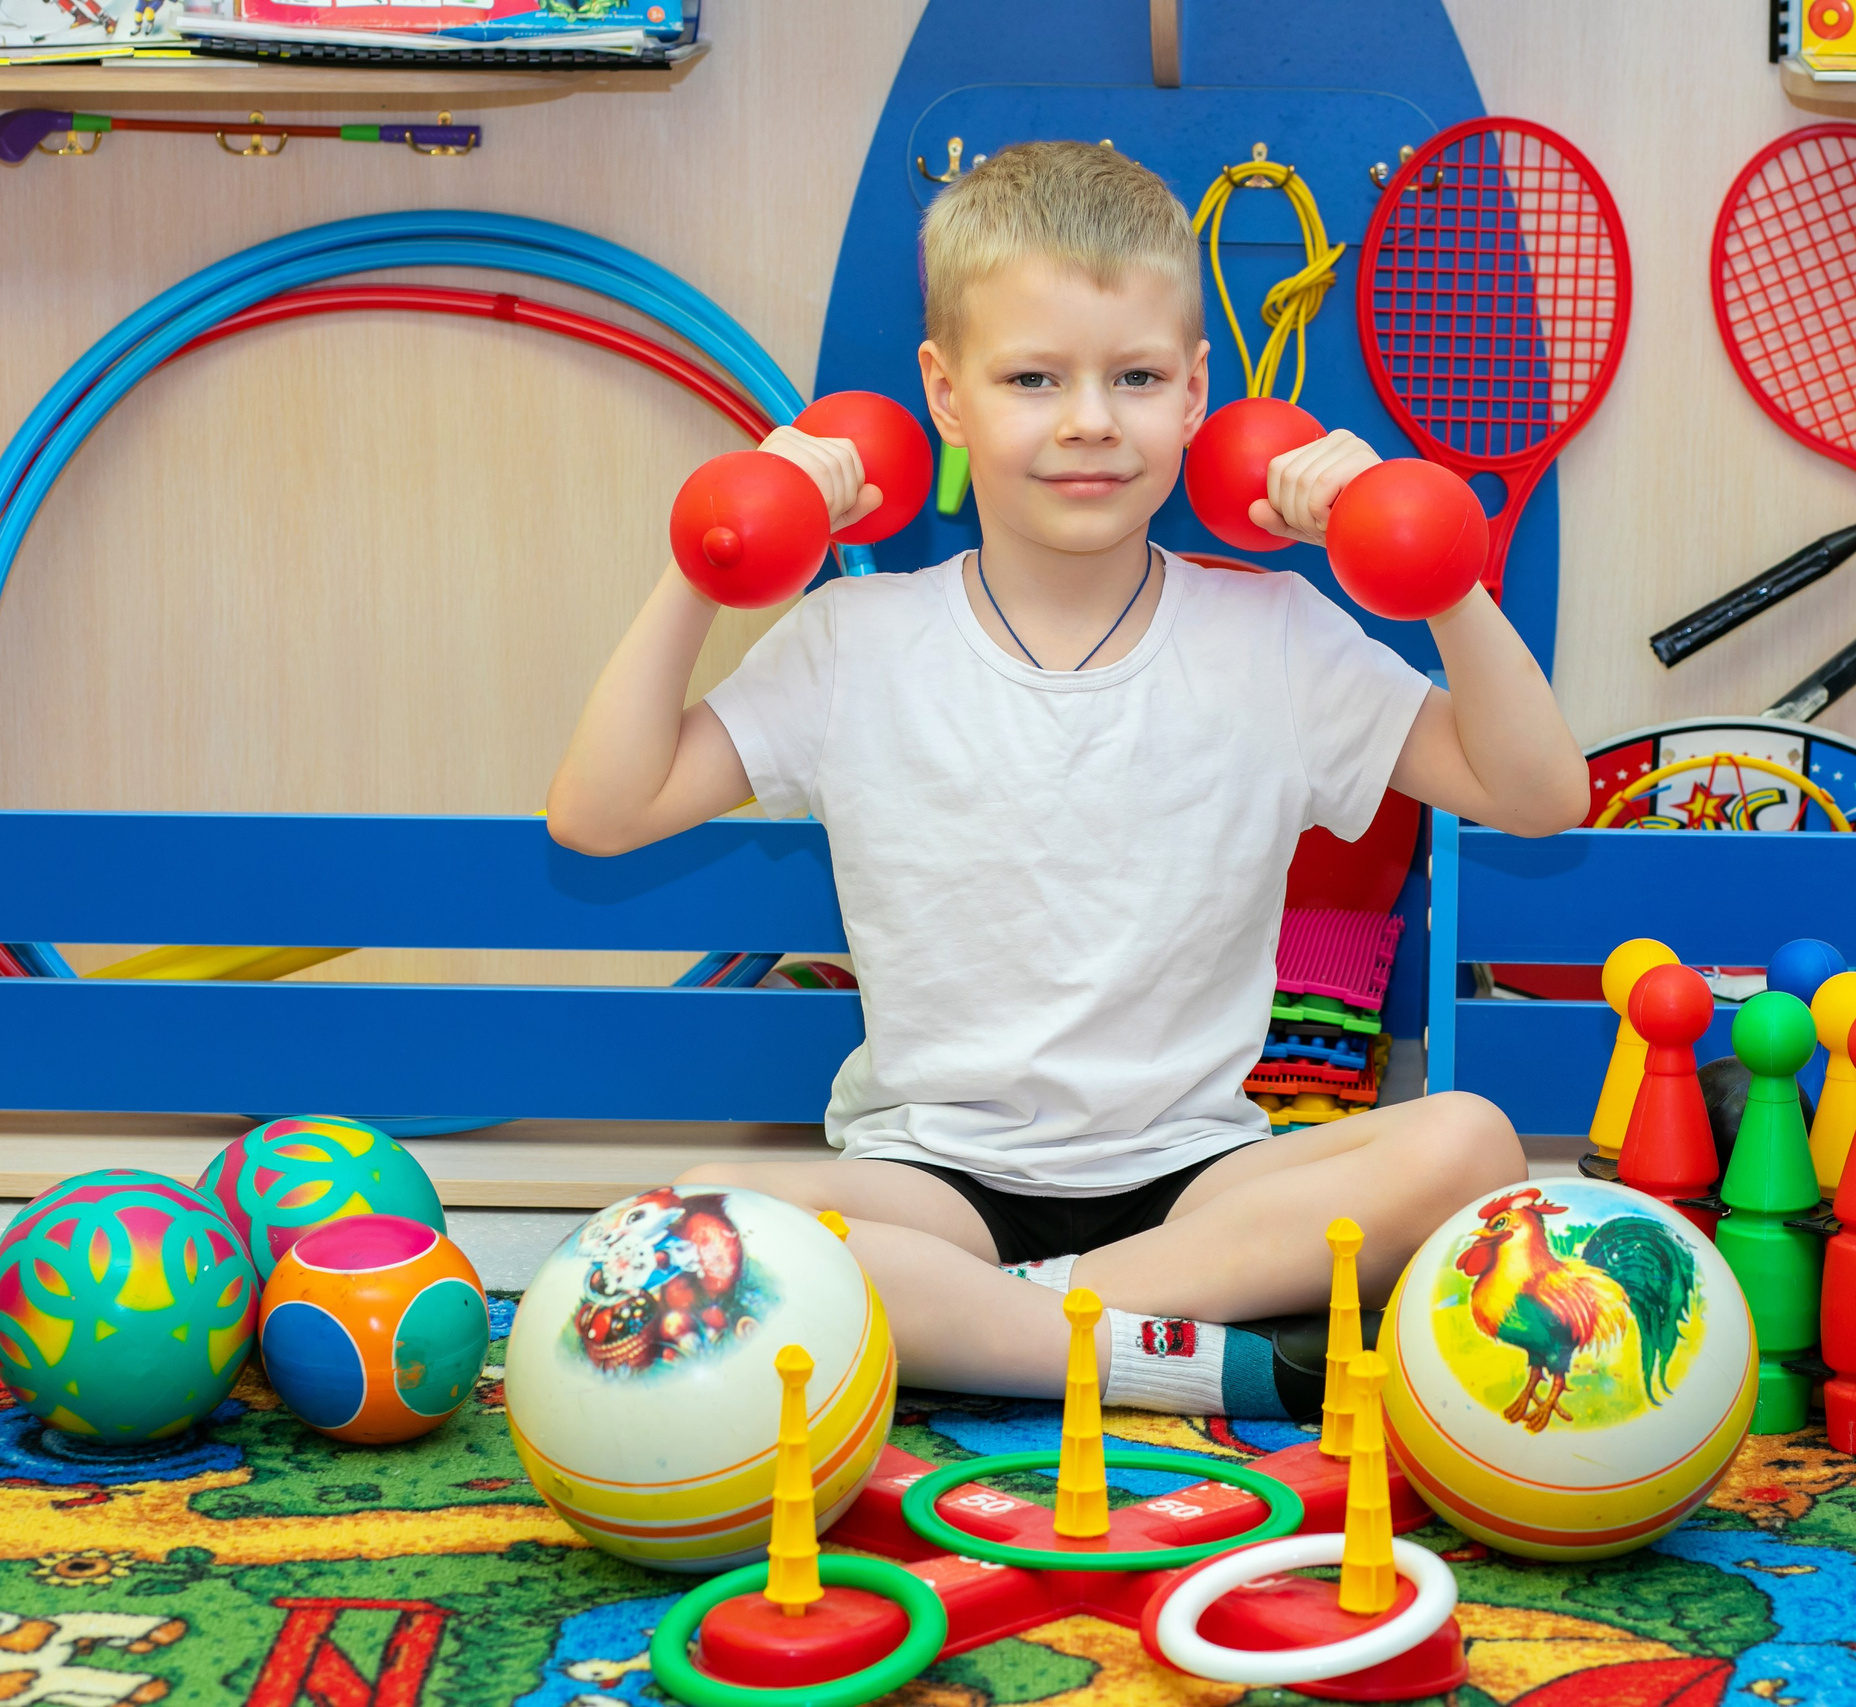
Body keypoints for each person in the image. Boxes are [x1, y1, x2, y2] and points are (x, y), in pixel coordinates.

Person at [548, 140, 1588, 1415]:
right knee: (683, 1222)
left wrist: (1433, 564)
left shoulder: (1273, 635)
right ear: (945, 392)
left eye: (1136, 377)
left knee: (1469, 1139)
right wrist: (708, 555)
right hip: (930, 1182)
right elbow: (599, 813)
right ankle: (1189, 1361)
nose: (1090, 419)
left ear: (1198, 392)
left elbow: (1539, 794)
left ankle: (1028, 1329)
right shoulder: (852, 642)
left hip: (1201, 1177)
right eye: (1033, 378)